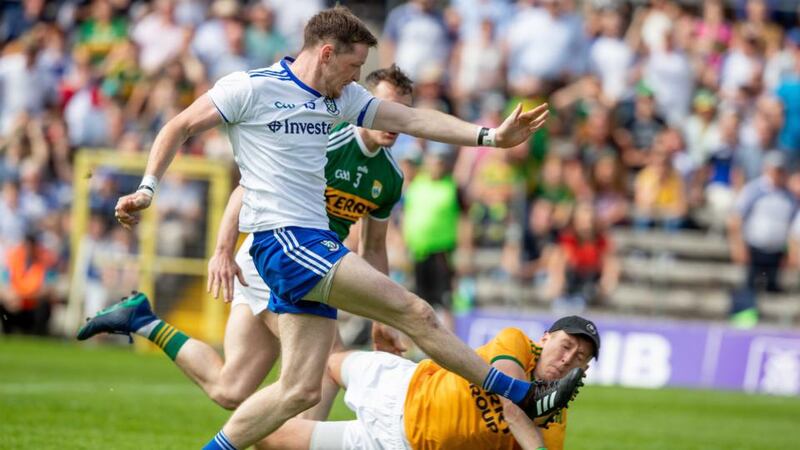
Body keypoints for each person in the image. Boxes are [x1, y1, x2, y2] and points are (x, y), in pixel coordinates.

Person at [96, 7, 563, 449]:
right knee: (415, 313)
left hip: (306, 248)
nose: (357, 78)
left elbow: (413, 118)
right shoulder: (250, 88)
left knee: (296, 390)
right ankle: (519, 394)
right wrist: (148, 190)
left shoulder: (342, 103)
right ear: (326, 53)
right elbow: (178, 126)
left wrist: (489, 137)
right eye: (355, 66)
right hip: (286, 242)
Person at [78, 65, 415, 415]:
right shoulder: (327, 139)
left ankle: (142, 320)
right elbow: (248, 185)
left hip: (304, 267)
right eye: (387, 108)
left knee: (230, 388)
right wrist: (222, 251)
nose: (394, 120)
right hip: (273, 256)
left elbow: (373, 247)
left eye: (403, 111)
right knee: (325, 364)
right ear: (366, 105)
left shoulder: (389, 176)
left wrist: (381, 318)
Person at [257, 315, 599, 450]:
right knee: (327, 362)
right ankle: (267, 306)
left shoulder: (554, 422)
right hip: (401, 387)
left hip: (403, 446)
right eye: (566, 346)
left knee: (270, 439)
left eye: (580, 358)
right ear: (546, 337)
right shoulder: (517, 342)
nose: (568, 358)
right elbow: (510, 401)